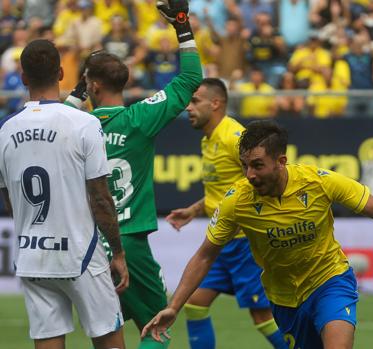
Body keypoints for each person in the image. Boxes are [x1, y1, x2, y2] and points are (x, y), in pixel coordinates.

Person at [142, 120, 373, 349]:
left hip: (330, 282)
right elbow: (205, 254)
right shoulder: (237, 201)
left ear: (281, 161)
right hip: (285, 299)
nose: (250, 174)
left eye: (257, 165)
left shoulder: (320, 181)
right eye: (245, 165)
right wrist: (175, 306)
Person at [65, 1, 202, 348]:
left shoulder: (74, 126)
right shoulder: (140, 119)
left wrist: (79, 90)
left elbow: (57, 115)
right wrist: (182, 26)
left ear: (92, 87)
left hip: (86, 245)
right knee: (157, 327)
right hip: (128, 242)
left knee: (107, 334)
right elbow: (190, 79)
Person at [0, 39, 128, 349]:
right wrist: (118, 252)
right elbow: (100, 197)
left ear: (24, 76)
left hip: (32, 255)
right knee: (110, 341)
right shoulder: (84, 123)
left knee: (47, 342)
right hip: (80, 254)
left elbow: (10, 197)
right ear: (60, 73)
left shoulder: (5, 130)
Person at [165, 78, 287, 349]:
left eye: (195, 101)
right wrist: (195, 210)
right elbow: (225, 189)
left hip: (246, 242)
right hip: (222, 241)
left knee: (262, 315)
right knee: (195, 304)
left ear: (216, 103)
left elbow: (266, 177)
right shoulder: (209, 140)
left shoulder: (235, 138)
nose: (188, 108)